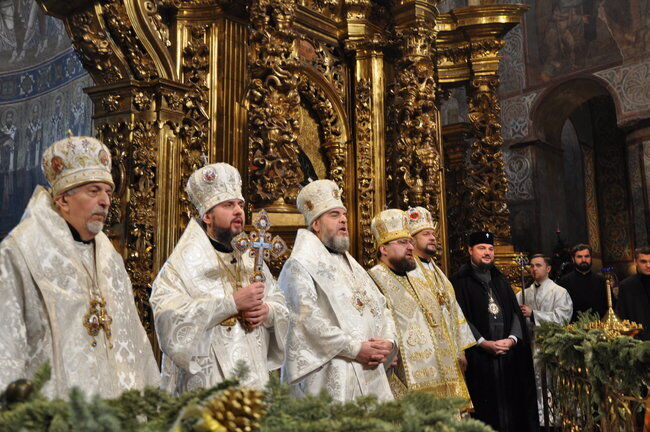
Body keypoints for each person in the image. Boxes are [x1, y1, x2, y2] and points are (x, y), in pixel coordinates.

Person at [0, 136, 160, 399]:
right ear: (63, 199)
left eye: (108, 192)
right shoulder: (21, 250)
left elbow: (134, 338)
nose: (106, 201)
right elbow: (6, 341)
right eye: (93, 191)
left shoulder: (109, 255)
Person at [150, 163, 288, 393]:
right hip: (209, 383)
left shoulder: (250, 258)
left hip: (254, 380)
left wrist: (268, 311)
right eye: (228, 205)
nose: (238, 211)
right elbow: (167, 318)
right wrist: (231, 304)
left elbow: (279, 302)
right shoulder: (182, 264)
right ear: (207, 215)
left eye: (240, 205)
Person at [279, 179, 397, 402]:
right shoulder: (299, 265)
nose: (343, 219)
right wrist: (355, 349)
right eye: (334, 215)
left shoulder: (351, 264)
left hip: (370, 372)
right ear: (316, 224)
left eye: (343, 214)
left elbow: (381, 306)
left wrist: (388, 342)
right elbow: (304, 322)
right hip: (330, 378)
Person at [368, 208, 475, 408]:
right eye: (402, 242)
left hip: (441, 373)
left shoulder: (420, 278)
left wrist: (457, 350)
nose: (410, 247)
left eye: (410, 241)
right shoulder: (372, 279)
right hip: (403, 377)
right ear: (383, 249)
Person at [450, 231, 538, 432]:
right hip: (479, 357)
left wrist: (513, 339)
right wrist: (482, 342)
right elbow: (460, 318)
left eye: (490, 249)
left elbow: (515, 314)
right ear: (470, 250)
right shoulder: (458, 281)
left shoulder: (500, 279)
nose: (487, 253)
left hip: (508, 356)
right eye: (482, 248)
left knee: (513, 408)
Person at [517, 254, 573, 426]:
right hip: (531, 346)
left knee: (551, 382)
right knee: (535, 383)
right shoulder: (523, 294)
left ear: (548, 268)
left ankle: (555, 419)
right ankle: (539, 420)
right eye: (532, 266)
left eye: (538, 265)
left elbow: (563, 318)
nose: (534, 269)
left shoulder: (559, 292)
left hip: (552, 347)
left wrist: (534, 314)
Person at [558, 244, 607, 322]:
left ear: (591, 258)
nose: (584, 260)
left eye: (587, 256)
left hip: (599, 326)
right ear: (573, 259)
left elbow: (609, 306)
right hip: (573, 328)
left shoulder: (601, 281)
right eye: (579, 257)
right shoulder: (564, 282)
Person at [616, 247, 650, 341]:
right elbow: (622, 315)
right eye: (643, 261)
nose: (648, 265)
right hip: (637, 341)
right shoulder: (626, 286)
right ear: (635, 262)